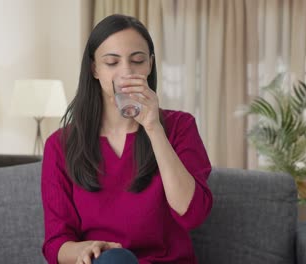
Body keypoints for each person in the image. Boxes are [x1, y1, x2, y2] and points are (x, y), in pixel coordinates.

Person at [41, 14, 212, 264]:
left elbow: (193, 214)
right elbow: (56, 243)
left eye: (138, 61)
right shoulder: (61, 145)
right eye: (112, 62)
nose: (127, 72)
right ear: (94, 69)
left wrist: (154, 128)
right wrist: (82, 251)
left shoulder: (179, 127)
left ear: (150, 65)